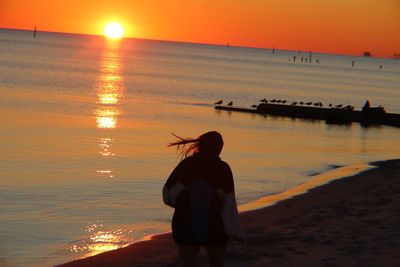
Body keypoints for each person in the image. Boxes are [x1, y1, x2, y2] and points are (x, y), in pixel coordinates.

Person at [163, 131, 245, 267]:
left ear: (200, 146)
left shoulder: (186, 165)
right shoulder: (223, 168)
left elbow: (167, 196)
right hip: (215, 227)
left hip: (185, 226)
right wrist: (235, 231)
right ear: (220, 148)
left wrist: (185, 204)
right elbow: (229, 204)